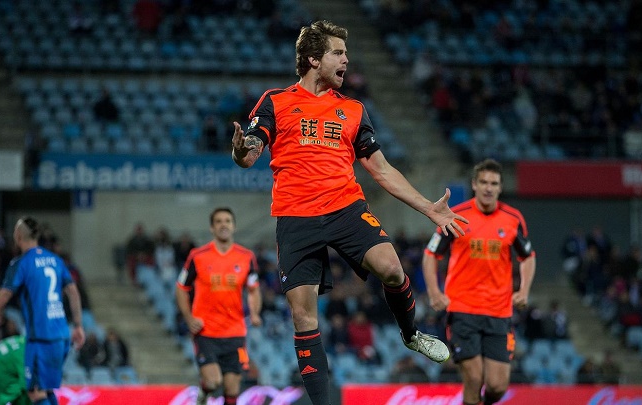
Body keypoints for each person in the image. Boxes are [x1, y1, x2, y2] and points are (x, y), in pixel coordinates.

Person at [230, 20, 467, 405]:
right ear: (312, 59)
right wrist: (242, 151)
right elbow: (252, 151)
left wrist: (427, 208)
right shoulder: (275, 101)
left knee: (392, 268)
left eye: (346, 53)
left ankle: (411, 334)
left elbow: (382, 169)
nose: (346, 60)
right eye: (338, 53)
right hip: (296, 217)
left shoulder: (353, 110)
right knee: (304, 317)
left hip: (345, 207)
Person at [422, 158, 536, 405]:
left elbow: (528, 257)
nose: (488, 187)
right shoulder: (456, 216)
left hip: (499, 312)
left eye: (493, 183)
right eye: (483, 182)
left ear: (500, 187)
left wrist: (524, 290)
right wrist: (434, 292)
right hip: (463, 309)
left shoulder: (513, 219)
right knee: (474, 379)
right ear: (474, 184)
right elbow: (431, 254)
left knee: (497, 386)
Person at [0, 216, 85, 405]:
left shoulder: (21, 263)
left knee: (35, 393)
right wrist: (78, 326)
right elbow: (73, 291)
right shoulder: (55, 260)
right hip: (62, 337)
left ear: (18, 236)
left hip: (40, 339)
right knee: (44, 390)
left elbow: (2, 297)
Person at [175, 208, 262, 405]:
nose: (224, 225)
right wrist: (189, 318)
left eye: (228, 221)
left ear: (234, 226)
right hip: (206, 332)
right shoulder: (197, 256)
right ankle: (203, 394)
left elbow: (254, 289)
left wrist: (255, 313)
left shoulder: (246, 257)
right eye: (219, 221)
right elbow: (181, 288)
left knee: (232, 389)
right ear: (212, 228)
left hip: (235, 333)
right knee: (213, 381)